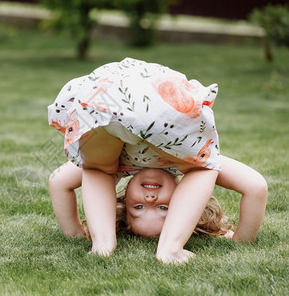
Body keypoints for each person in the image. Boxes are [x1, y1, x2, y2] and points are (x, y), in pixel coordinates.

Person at [47, 58, 267, 264]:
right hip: (161, 101)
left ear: (122, 201)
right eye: (164, 208)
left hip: (100, 100)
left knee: (97, 169)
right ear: (185, 203)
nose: (150, 198)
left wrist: (75, 233)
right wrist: (241, 240)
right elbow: (256, 187)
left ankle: (103, 244)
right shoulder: (190, 164)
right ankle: (170, 248)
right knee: (203, 167)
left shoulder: (119, 166)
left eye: (139, 206)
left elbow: (58, 182)